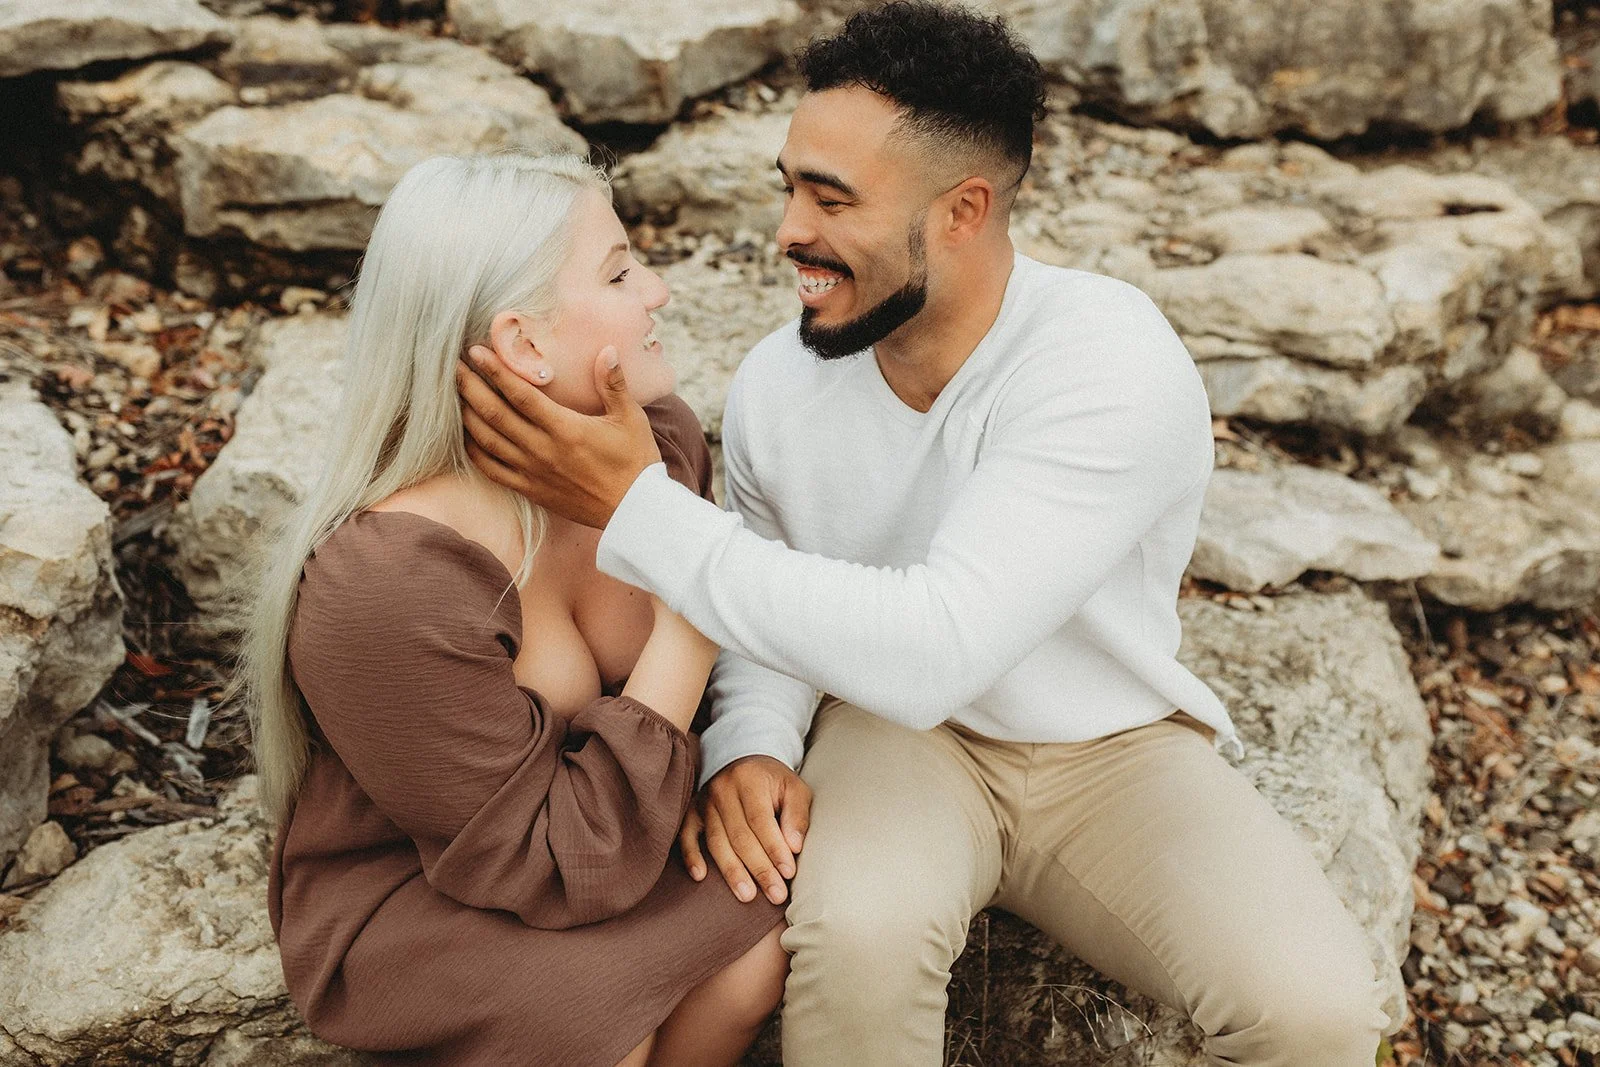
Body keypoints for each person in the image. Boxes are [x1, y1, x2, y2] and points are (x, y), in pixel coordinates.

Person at [457, 5, 1395, 1066]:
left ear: (963, 211)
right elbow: (767, 596)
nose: (788, 232)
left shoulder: (1107, 359)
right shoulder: (778, 383)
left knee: (1316, 1014)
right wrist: (753, 740)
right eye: (788, 187)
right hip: (894, 742)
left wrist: (637, 506)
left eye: (832, 200)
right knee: (856, 942)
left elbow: (938, 644)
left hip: (1110, 748)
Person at [240, 153, 786, 1067]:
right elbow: (557, 857)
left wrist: (747, 754)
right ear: (525, 343)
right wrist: (695, 596)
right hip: (433, 890)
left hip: (636, 834)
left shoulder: (657, 441)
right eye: (620, 273)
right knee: (592, 1026)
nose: (657, 290)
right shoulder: (387, 584)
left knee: (759, 947)